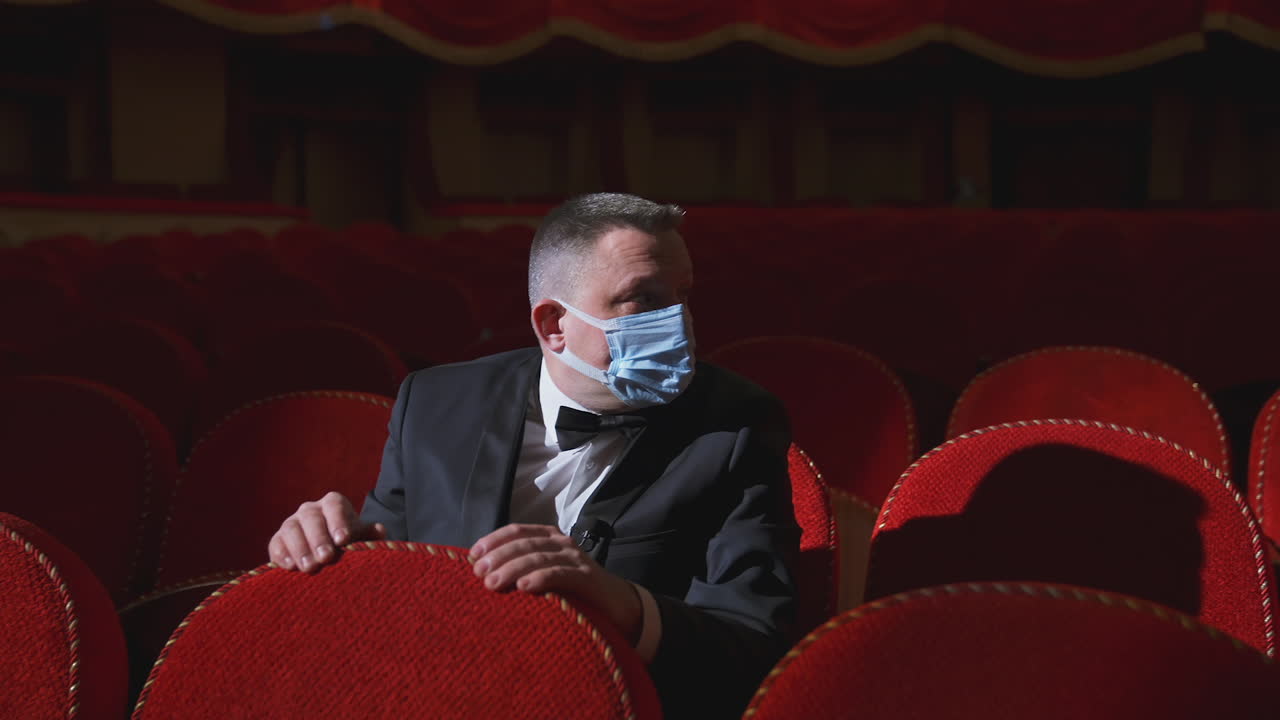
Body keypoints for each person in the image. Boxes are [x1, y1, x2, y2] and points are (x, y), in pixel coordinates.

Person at [268, 193, 799, 718]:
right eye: (644, 300)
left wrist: (624, 605)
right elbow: (390, 590)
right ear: (552, 325)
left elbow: (755, 646)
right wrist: (337, 551)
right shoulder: (433, 405)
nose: (677, 323)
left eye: (682, 295)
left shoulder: (739, 425)